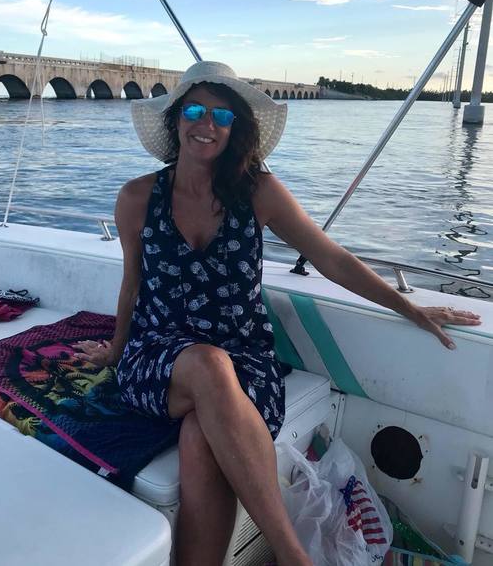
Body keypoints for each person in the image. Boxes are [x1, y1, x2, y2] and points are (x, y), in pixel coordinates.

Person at [73, 61, 481, 566]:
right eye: (195, 111)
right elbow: (132, 282)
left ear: (236, 128)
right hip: (158, 356)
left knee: (202, 435)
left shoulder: (257, 191)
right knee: (206, 365)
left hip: (244, 360)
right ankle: (293, 555)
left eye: (222, 116)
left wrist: (409, 307)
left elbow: (332, 259)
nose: (207, 124)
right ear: (176, 119)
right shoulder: (137, 198)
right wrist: (115, 351)